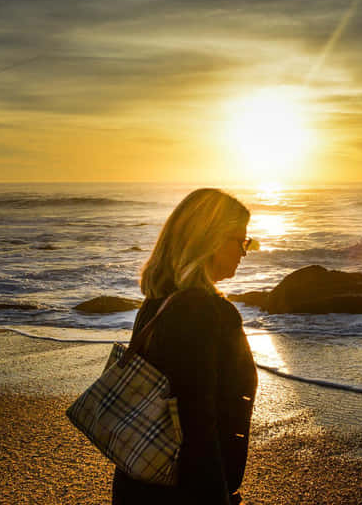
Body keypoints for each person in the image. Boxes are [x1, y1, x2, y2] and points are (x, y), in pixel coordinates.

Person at [112, 188, 258, 505]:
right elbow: (197, 424)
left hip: (140, 479)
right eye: (240, 241)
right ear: (210, 240)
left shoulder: (156, 303)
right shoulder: (203, 313)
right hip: (183, 491)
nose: (243, 252)